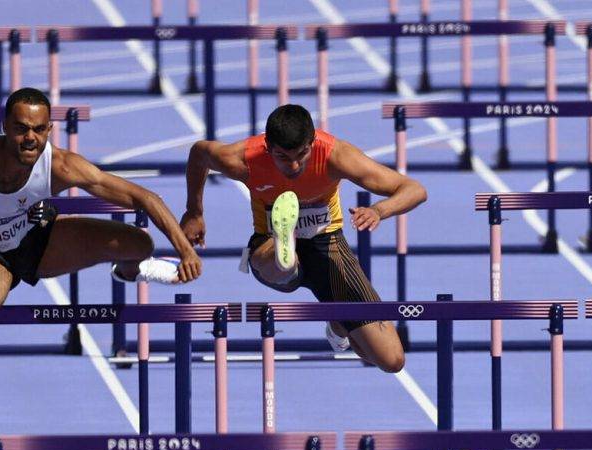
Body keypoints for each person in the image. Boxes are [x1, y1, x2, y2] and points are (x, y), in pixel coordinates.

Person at [0, 87, 201, 419]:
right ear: (5, 125)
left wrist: (184, 251)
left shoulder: (60, 166)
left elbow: (144, 197)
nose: (30, 138)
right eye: (21, 129)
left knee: (139, 244)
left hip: (34, 241)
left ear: (50, 129)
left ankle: (129, 271)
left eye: (38, 129)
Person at [180, 104, 426, 372]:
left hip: (328, 244)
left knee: (390, 360)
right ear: (267, 146)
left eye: (302, 154)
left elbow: (414, 189)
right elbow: (199, 153)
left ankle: (338, 324)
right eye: (283, 157)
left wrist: (379, 210)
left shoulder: (336, 155)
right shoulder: (243, 158)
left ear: (313, 142)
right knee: (279, 261)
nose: (294, 165)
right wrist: (194, 211)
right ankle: (286, 249)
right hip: (269, 245)